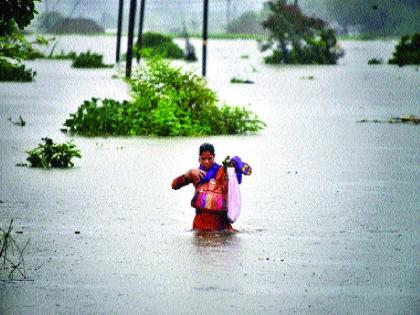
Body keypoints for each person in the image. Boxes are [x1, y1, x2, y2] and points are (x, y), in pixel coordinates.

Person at [171, 143, 252, 232]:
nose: (206, 161)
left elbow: (236, 183)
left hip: (221, 223)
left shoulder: (222, 171)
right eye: (203, 159)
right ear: (199, 158)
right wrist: (188, 173)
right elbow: (174, 185)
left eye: (209, 158)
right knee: (202, 243)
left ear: (214, 157)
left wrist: (234, 168)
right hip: (201, 223)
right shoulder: (195, 174)